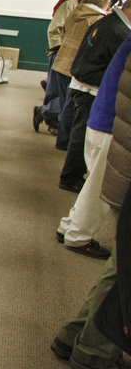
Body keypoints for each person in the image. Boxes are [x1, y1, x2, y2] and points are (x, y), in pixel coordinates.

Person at [50, 47, 131, 369]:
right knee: (123, 268)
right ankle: (94, 350)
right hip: (117, 144)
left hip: (113, 137)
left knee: (120, 267)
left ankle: (78, 336)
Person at [57, 31, 131, 260]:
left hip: (102, 118)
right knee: (102, 188)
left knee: (94, 182)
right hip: (112, 125)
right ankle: (77, 236)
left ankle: (69, 225)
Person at [58, 0, 131, 205]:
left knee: (79, 132)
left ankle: (71, 174)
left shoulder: (106, 22)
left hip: (83, 82)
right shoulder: (120, 33)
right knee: (81, 135)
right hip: (91, 89)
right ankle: (70, 177)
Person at [51, 0, 110, 181]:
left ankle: (62, 138)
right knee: (71, 107)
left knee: (66, 103)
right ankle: (65, 138)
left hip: (62, 60)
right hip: (76, 65)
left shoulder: (76, 11)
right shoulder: (98, 19)